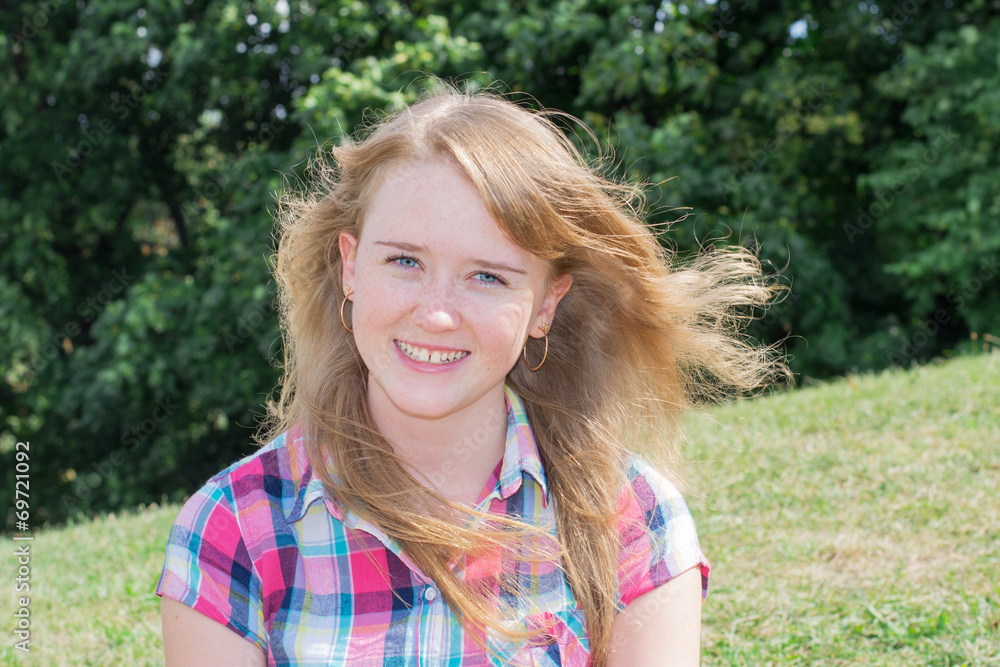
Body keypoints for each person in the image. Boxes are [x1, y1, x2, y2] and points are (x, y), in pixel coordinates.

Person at [157, 89, 783, 666]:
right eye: (405, 261)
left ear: (546, 304)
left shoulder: (635, 520)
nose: (436, 314)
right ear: (351, 267)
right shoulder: (232, 529)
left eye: (487, 276)